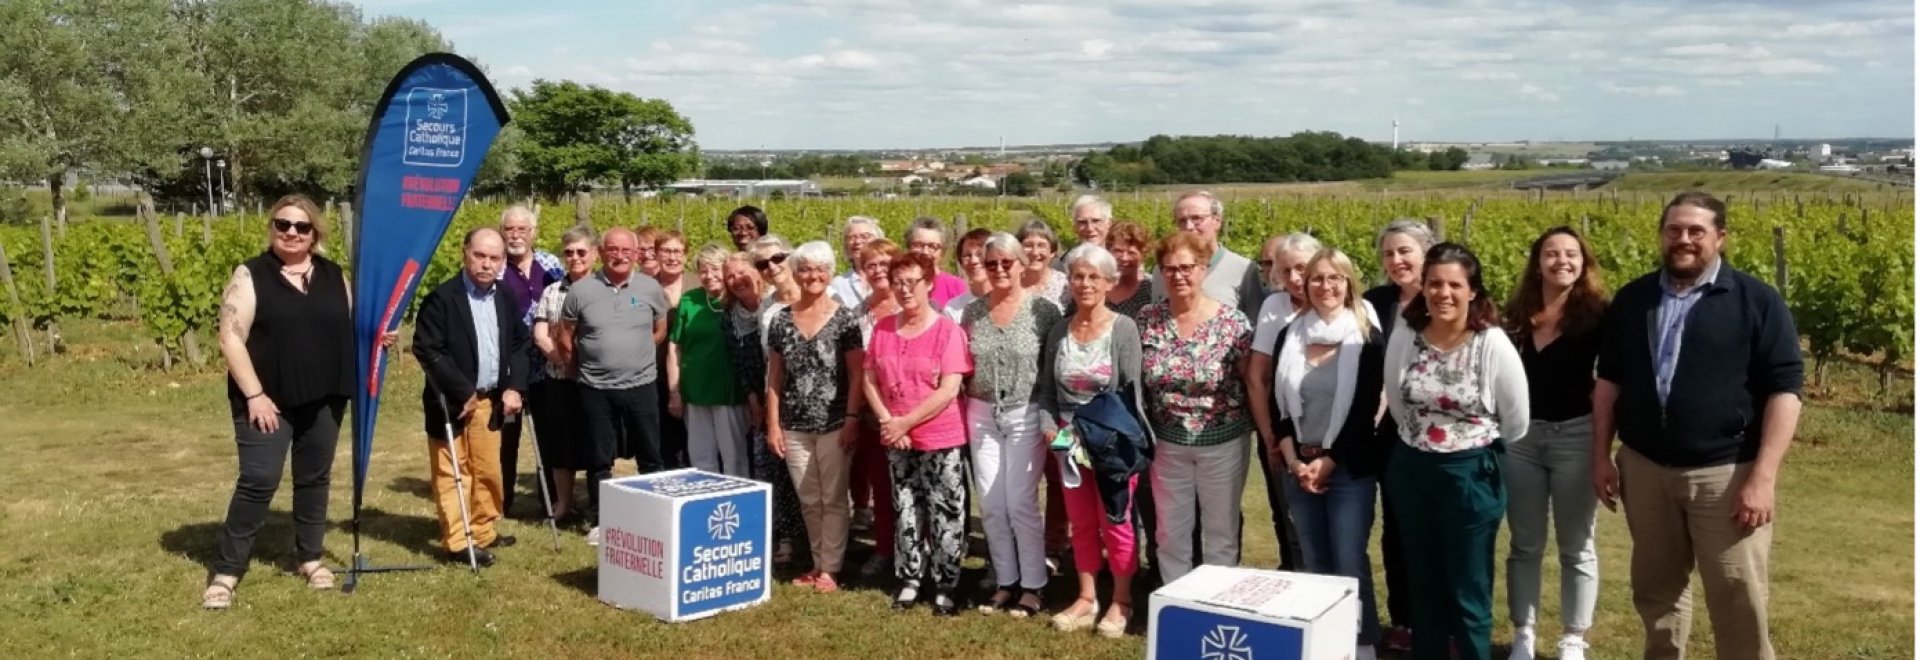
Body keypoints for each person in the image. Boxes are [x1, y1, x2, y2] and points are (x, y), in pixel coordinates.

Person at [1592, 192, 1803, 660]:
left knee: (1736, 590)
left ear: (1720, 238)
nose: (1683, 240)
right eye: (1674, 230)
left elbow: (1786, 392)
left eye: (1696, 231)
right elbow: (1609, 383)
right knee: (1656, 590)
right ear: (1662, 235)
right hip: (1644, 469)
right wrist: (1601, 457)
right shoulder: (1634, 299)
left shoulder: (1756, 301)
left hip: (1725, 474)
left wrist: (1763, 478)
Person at [204, 195, 356, 608]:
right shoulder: (251, 274)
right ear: (271, 227)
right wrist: (255, 395)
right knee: (258, 479)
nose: (291, 232)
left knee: (314, 477)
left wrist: (380, 338)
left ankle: (309, 557)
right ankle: (227, 570)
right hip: (266, 399)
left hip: (324, 394)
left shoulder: (333, 274)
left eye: (301, 227)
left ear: (315, 234)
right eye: (282, 224)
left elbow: (351, 324)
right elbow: (230, 336)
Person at [1383, 242, 1529, 660]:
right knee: (1423, 583)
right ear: (1423, 288)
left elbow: (1516, 419)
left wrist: (1462, 444)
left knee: (1467, 587)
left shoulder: (1492, 344)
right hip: (1412, 469)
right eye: (1433, 284)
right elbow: (1396, 401)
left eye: (1453, 285)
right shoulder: (1406, 336)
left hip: (1469, 474)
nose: (1442, 293)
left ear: (1472, 291)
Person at [1269, 249, 1388, 660]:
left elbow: (1364, 411)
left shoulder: (1368, 339)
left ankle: (1362, 641)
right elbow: (1277, 406)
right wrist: (1293, 460)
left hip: (1350, 469)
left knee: (1350, 558)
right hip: (1299, 465)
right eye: (1317, 278)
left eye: (1335, 278)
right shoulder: (1290, 336)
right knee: (1314, 560)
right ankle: (1322, 642)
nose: (1325, 286)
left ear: (1349, 283)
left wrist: (1329, 461)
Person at [1500, 227, 1608, 660]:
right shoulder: (1515, 316)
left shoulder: (1600, 316)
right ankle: (1523, 633)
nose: (1561, 261)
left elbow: (1612, 382)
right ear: (1537, 262)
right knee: (1524, 543)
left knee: (1577, 544)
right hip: (1521, 440)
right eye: (1551, 253)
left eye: (1571, 254)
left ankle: (1573, 638)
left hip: (1576, 438)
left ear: (1584, 263)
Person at [1035, 243, 1153, 637]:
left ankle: (1122, 600)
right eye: (1077, 276)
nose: (1084, 283)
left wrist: (1105, 437)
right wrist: (1051, 426)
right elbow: (1048, 391)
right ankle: (1086, 597)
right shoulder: (1058, 330)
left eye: (1093, 277)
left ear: (1108, 282)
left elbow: (1131, 392)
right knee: (1081, 524)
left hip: (1111, 445)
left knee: (1116, 523)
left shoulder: (1123, 329)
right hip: (1068, 446)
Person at [412, 228, 531, 567]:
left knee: (488, 471)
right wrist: (461, 390)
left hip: (491, 400)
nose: (486, 264)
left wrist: (515, 386)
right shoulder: (443, 298)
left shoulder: (504, 295)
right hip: (452, 402)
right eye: (480, 255)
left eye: (494, 258)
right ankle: (457, 542)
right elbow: (427, 348)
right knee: (454, 473)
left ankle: (482, 530)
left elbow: (520, 344)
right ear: (466, 253)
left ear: (502, 261)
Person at [1140, 232, 1255, 583]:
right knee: (1170, 533)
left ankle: (1217, 605)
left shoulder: (1232, 324)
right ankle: (1177, 603)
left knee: (1220, 533)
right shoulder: (1147, 320)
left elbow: (1251, 381)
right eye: (1169, 269)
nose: (1178, 276)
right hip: (1167, 444)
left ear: (1203, 269)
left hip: (1223, 442)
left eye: (1187, 267)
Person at [959, 232, 1063, 617]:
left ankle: (1033, 584)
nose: (1000, 269)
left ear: (1022, 264)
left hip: (1026, 412)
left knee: (1020, 500)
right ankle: (1005, 581)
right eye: (992, 264)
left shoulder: (1045, 311)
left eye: (1007, 262)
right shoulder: (973, 312)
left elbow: (1053, 371)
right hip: (982, 413)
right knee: (990, 501)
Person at [863, 251, 973, 616]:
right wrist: (888, 422)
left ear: (929, 285)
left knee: (946, 510)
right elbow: (869, 379)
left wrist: (905, 422)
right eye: (898, 283)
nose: (905, 290)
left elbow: (948, 388)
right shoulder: (882, 329)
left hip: (939, 435)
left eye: (912, 282)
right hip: (896, 436)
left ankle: (946, 582)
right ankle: (910, 577)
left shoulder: (947, 331)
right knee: (905, 507)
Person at [765, 241, 868, 593]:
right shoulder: (781, 319)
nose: (813, 275)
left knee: (834, 498)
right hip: (794, 425)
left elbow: (857, 375)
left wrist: (853, 417)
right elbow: (775, 378)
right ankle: (816, 561)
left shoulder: (845, 319)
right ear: (795, 273)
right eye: (805, 269)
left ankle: (831, 568)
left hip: (835, 423)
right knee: (808, 498)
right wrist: (773, 424)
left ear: (829, 273)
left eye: (820, 269)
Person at [558, 227, 670, 547]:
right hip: (595, 387)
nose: (619, 256)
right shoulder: (582, 290)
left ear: (637, 254)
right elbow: (566, 335)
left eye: (626, 250)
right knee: (598, 456)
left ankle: (654, 515)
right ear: (602, 252)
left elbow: (659, 329)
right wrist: (579, 367)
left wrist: (637, 353)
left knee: (650, 454)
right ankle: (602, 520)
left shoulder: (650, 288)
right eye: (613, 250)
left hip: (641, 384)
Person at [1362, 217, 1436, 653]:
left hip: (1441, 438)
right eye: (1388, 253)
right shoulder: (1375, 302)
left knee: (1438, 531)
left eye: (1405, 251)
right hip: (1390, 438)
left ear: (1426, 252)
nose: (1396, 260)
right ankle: (1404, 619)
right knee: (1397, 530)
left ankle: (1441, 622)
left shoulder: (1446, 296)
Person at [721, 248, 807, 565]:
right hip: (763, 398)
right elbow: (742, 364)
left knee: (800, 470)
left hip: (797, 398)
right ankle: (779, 534)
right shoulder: (731, 316)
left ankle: (806, 537)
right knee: (769, 468)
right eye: (729, 276)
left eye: (742, 271)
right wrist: (755, 403)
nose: (736, 280)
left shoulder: (776, 302)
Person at [1245, 232, 1322, 574]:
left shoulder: (1353, 308)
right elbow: (1257, 377)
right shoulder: (1273, 307)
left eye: (1302, 269)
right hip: (1284, 433)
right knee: (1290, 518)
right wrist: (1269, 436)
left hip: (1333, 435)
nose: (1294, 279)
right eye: (1285, 270)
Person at [496, 205, 563, 517]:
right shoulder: (494, 266)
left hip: (546, 365)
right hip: (507, 368)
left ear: (534, 233)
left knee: (549, 435)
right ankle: (501, 501)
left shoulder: (551, 264)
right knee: (505, 439)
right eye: (510, 229)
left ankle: (551, 500)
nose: (516, 235)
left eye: (523, 229)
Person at [530, 225, 598, 523]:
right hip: (558, 378)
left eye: (581, 251)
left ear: (594, 254)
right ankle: (563, 504)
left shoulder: (606, 289)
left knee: (596, 443)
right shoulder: (551, 291)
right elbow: (541, 333)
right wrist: (564, 361)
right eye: (569, 252)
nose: (575, 257)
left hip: (596, 381)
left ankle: (597, 505)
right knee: (560, 444)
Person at [669, 245, 753, 477]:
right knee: (700, 457)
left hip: (729, 392)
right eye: (703, 270)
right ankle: (705, 506)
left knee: (733, 457)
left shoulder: (738, 302)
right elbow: (675, 347)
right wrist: (675, 391)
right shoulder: (689, 300)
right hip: (695, 390)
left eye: (715, 269)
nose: (709, 276)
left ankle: (736, 506)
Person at [850, 238, 902, 580]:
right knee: (882, 487)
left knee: (913, 490)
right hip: (873, 414)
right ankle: (885, 549)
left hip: (910, 413)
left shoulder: (911, 306)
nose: (878, 270)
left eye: (885, 264)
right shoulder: (860, 314)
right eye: (871, 265)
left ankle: (918, 549)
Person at [1151, 191, 1264, 322]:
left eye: (1196, 218)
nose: (1189, 227)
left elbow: (1255, 326)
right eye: (1182, 220)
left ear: (1217, 221)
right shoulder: (1163, 271)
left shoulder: (1244, 269)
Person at [654, 231, 692, 470]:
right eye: (666, 251)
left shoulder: (699, 283)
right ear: (656, 254)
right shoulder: (644, 286)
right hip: (655, 374)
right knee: (663, 438)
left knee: (694, 439)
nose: (672, 257)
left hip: (693, 372)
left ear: (686, 256)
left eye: (677, 251)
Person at [903, 216, 970, 308]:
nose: (925, 252)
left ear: (942, 251)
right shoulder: (899, 284)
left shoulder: (955, 286)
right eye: (919, 245)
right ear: (908, 247)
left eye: (932, 246)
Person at [829, 215, 883, 311]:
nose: (857, 241)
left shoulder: (891, 277)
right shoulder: (839, 284)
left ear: (877, 241)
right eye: (851, 237)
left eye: (865, 236)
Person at [1102, 222, 1155, 319]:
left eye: (1131, 253)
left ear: (1143, 255)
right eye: (1118, 251)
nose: (1124, 258)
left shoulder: (1151, 289)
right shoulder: (1098, 283)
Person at [942, 228, 994, 322]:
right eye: (967, 255)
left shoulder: (1009, 300)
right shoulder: (953, 308)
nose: (973, 261)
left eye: (980, 254)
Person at [1016, 219, 1070, 310]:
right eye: (1028, 245)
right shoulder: (1010, 283)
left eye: (1041, 245)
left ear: (1052, 252)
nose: (1035, 252)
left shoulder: (1065, 286)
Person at [1051, 194, 1112, 271]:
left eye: (1096, 221)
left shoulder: (1122, 263)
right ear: (1074, 227)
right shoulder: (1064, 265)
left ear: (1108, 224)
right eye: (1082, 222)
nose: (1089, 228)